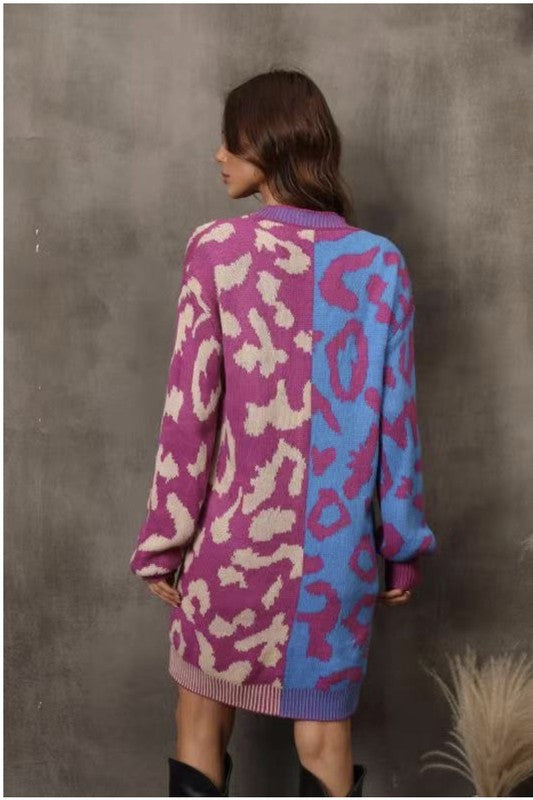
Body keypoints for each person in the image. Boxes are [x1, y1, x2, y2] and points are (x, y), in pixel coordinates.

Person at [129, 68, 437, 797]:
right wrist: (400, 544)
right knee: (325, 737)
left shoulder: (215, 249)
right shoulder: (380, 264)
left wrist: (164, 539)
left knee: (199, 721)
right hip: (336, 556)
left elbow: (189, 410)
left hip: (230, 543)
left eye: (230, 140)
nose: (218, 155)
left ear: (267, 144)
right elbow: (396, 422)